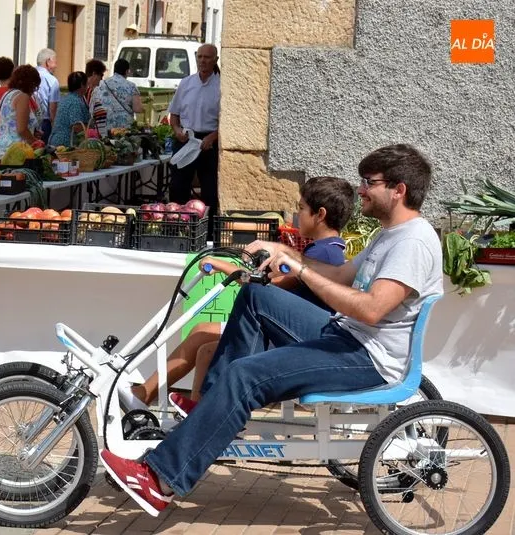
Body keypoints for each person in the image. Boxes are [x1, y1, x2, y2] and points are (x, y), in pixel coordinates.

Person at [100, 144, 444, 516]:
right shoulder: (390, 233)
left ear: (399, 189)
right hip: (347, 336)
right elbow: (342, 275)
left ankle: (161, 480)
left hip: (368, 358)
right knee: (255, 297)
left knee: (244, 375)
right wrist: (283, 252)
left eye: (369, 182)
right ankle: (214, 408)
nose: (361, 189)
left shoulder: (412, 243)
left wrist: (300, 270)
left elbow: (372, 309)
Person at [118, 176, 355, 412]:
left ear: (320, 214)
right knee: (204, 344)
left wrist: (221, 265)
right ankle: (196, 408)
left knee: (202, 336)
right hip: (284, 331)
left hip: (290, 337)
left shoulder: (322, 256)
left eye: (301, 208)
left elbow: (264, 286)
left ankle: (152, 397)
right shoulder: (326, 251)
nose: (297, 214)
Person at [167, 44, 221, 216]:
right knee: (177, 187)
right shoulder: (186, 83)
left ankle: (208, 233)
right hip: (186, 139)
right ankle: (177, 227)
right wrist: (176, 130)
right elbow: (174, 114)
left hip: (209, 143)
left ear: (215, 60)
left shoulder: (221, 86)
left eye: (207, 57)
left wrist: (212, 137)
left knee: (210, 191)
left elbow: (227, 122)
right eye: (200, 57)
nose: (203, 61)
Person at [0, 65, 42, 160]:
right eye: (35, 87)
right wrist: (36, 142)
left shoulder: (6, 95)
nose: (34, 91)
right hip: (16, 150)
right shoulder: (23, 97)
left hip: (2, 147)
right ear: (30, 83)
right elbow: (21, 129)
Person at [90, 58, 143, 138]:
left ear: (115, 70)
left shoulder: (101, 84)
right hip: (124, 129)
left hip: (104, 128)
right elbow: (137, 109)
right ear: (126, 71)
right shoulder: (131, 86)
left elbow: (93, 106)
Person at [48, 72, 91, 148]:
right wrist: (92, 133)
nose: (88, 87)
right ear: (82, 85)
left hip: (57, 141)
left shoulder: (67, 98)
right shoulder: (75, 101)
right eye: (87, 84)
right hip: (66, 144)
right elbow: (77, 126)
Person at [35, 48, 59, 143]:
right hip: (44, 123)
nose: (56, 66)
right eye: (55, 62)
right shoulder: (52, 80)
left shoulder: (28, 75)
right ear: (48, 61)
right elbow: (53, 110)